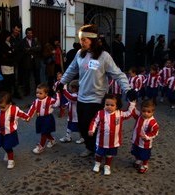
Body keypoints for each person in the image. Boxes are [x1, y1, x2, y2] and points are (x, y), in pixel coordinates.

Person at [57, 24, 135, 157]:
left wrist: (127, 90)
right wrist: (62, 82)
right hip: (82, 97)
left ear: (92, 40)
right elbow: (71, 69)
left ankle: (98, 149)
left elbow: (118, 74)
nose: (81, 42)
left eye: (84, 40)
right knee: (83, 126)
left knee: (95, 127)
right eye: (80, 39)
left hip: (97, 99)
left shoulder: (104, 56)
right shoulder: (79, 54)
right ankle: (90, 147)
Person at [88, 94, 135, 175]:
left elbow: (129, 113)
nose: (109, 107)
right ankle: (97, 163)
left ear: (117, 106)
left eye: (112, 105)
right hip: (101, 140)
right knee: (99, 153)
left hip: (113, 141)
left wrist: (132, 103)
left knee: (110, 154)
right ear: (104, 104)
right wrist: (91, 129)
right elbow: (94, 122)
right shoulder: (100, 113)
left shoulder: (119, 113)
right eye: (107, 104)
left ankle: (107, 165)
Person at [0, 91, 30, 169]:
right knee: (2, 145)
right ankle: (7, 153)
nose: (0, 109)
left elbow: (22, 114)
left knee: (8, 146)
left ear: (9, 103)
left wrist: (27, 118)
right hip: (0, 132)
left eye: (3, 107)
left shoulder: (14, 109)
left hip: (10, 132)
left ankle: (11, 160)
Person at [27, 83, 60, 154]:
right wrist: (28, 117)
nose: (38, 94)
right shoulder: (36, 101)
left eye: (40, 93)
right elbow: (32, 109)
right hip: (40, 119)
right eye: (37, 93)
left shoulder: (50, 99)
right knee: (46, 132)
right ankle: (52, 140)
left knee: (43, 133)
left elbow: (57, 103)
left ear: (46, 94)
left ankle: (41, 146)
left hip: (48, 118)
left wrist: (57, 94)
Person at [131, 99, 159, 174]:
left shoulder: (153, 122)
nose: (146, 113)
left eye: (149, 112)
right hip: (136, 140)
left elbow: (155, 132)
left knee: (145, 155)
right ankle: (138, 159)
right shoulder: (139, 116)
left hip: (145, 144)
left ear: (153, 112)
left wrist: (147, 137)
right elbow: (133, 111)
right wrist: (132, 102)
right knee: (136, 152)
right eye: (143, 111)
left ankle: (145, 165)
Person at [59, 80, 84, 144]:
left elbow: (70, 98)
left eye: (70, 87)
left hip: (76, 116)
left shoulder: (77, 95)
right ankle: (68, 137)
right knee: (69, 126)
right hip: (71, 115)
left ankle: (82, 137)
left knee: (79, 128)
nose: (69, 89)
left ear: (74, 88)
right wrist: (66, 105)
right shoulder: (74, 94)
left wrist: (64, 90)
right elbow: (70, 101)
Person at [20, 27, 41, 96]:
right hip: (27, 62)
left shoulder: (35, 40)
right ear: (26, 34)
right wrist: (33, 49)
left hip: (35, 62)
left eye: (31, 33)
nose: (30, 34)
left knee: (37, 78)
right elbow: (24, 50)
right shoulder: (22, 41)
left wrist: (30, 49)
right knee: (27, 78)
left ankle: (39, 91)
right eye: (28, 33)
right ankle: (27, 92)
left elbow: (39, 48)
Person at [10, 23, 23, 99]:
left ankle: (16, 92)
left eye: (18, 31)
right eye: (16, 30)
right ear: (12, 29)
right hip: (10, 61)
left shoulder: (19, 39)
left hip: (18, 62)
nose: (17, 32)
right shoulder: (9, 38)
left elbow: (21, 50)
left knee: (16, 78)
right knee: (11, 78)